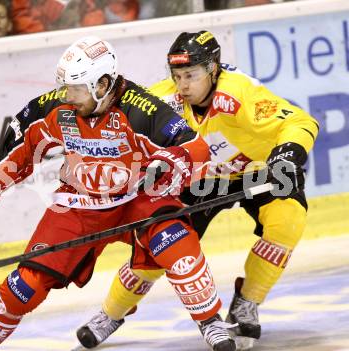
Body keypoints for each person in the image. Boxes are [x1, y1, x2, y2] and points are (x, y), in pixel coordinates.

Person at [0, 35, 238, 351]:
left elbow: (193, 146)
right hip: (79, 201)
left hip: (137, 198)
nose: (68, 97)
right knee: (24, 288)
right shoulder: (53, 107)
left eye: (77, 89)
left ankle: (210, 321)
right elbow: (16, 157)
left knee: (175, 243)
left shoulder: (139, 108)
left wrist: (167, 162)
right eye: (66, 88)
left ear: (102, 85)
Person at [75, 30, 319, 350]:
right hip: (200, 181)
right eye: (177, 76)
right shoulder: (163, 100)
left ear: (213, 69)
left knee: (287, 220)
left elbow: (300, 122)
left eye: (190, 75)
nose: (183, 85)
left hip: (256, 171)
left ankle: (247, 302)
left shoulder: (239, 93)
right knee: (158, 249)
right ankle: (110, 314)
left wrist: (287, 155)